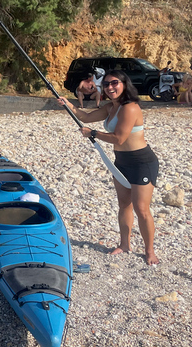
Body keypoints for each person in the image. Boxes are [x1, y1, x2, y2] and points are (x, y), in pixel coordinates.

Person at [58, 70, 160, 265]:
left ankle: (149, 251)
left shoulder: (130, 108)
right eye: (106, 84)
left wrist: (93, 133)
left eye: (114, 83)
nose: (110, 87)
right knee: (124, 205)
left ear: (124, 84)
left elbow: (119, 138)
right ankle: (124, 244)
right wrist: (68, 104)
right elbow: (85, 117)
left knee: (141, 209)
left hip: (141, 162)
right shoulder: (111, 106)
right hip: (121, 161)